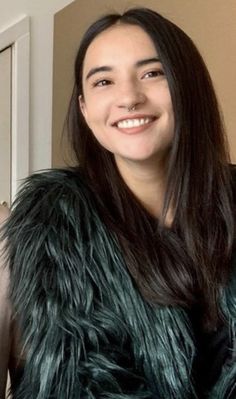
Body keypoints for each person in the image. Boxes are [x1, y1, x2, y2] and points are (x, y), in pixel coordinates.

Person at [1, 6, 236, 398]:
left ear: (188, 85)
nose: (129, 97)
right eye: (103, 81)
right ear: (84, 108)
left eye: (152, 73)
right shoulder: (46, 228)